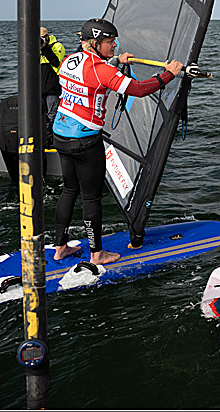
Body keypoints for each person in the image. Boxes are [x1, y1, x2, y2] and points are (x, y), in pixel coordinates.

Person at [51, 18, 183, 265]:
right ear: (95, 42)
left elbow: (91, 71)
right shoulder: (103, 70)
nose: (115, 45)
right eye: (110, 42)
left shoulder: (69, 61)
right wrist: (168, 75)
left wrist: (116, 61)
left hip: (61, 136)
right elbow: (139, 89)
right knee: (91, 198)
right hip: (85, 141)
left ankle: (60, 247)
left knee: (69, 190)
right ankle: (97, 253)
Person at [39, 26, 65, 143]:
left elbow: (56, 62)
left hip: (52, 88)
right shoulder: (34, 48)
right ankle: (42, 139)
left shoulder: (57, 46)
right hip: (39, 89)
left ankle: (53, 140)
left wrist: (45, 48)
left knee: (51, 115)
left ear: (47, 37)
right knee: (40, 116)